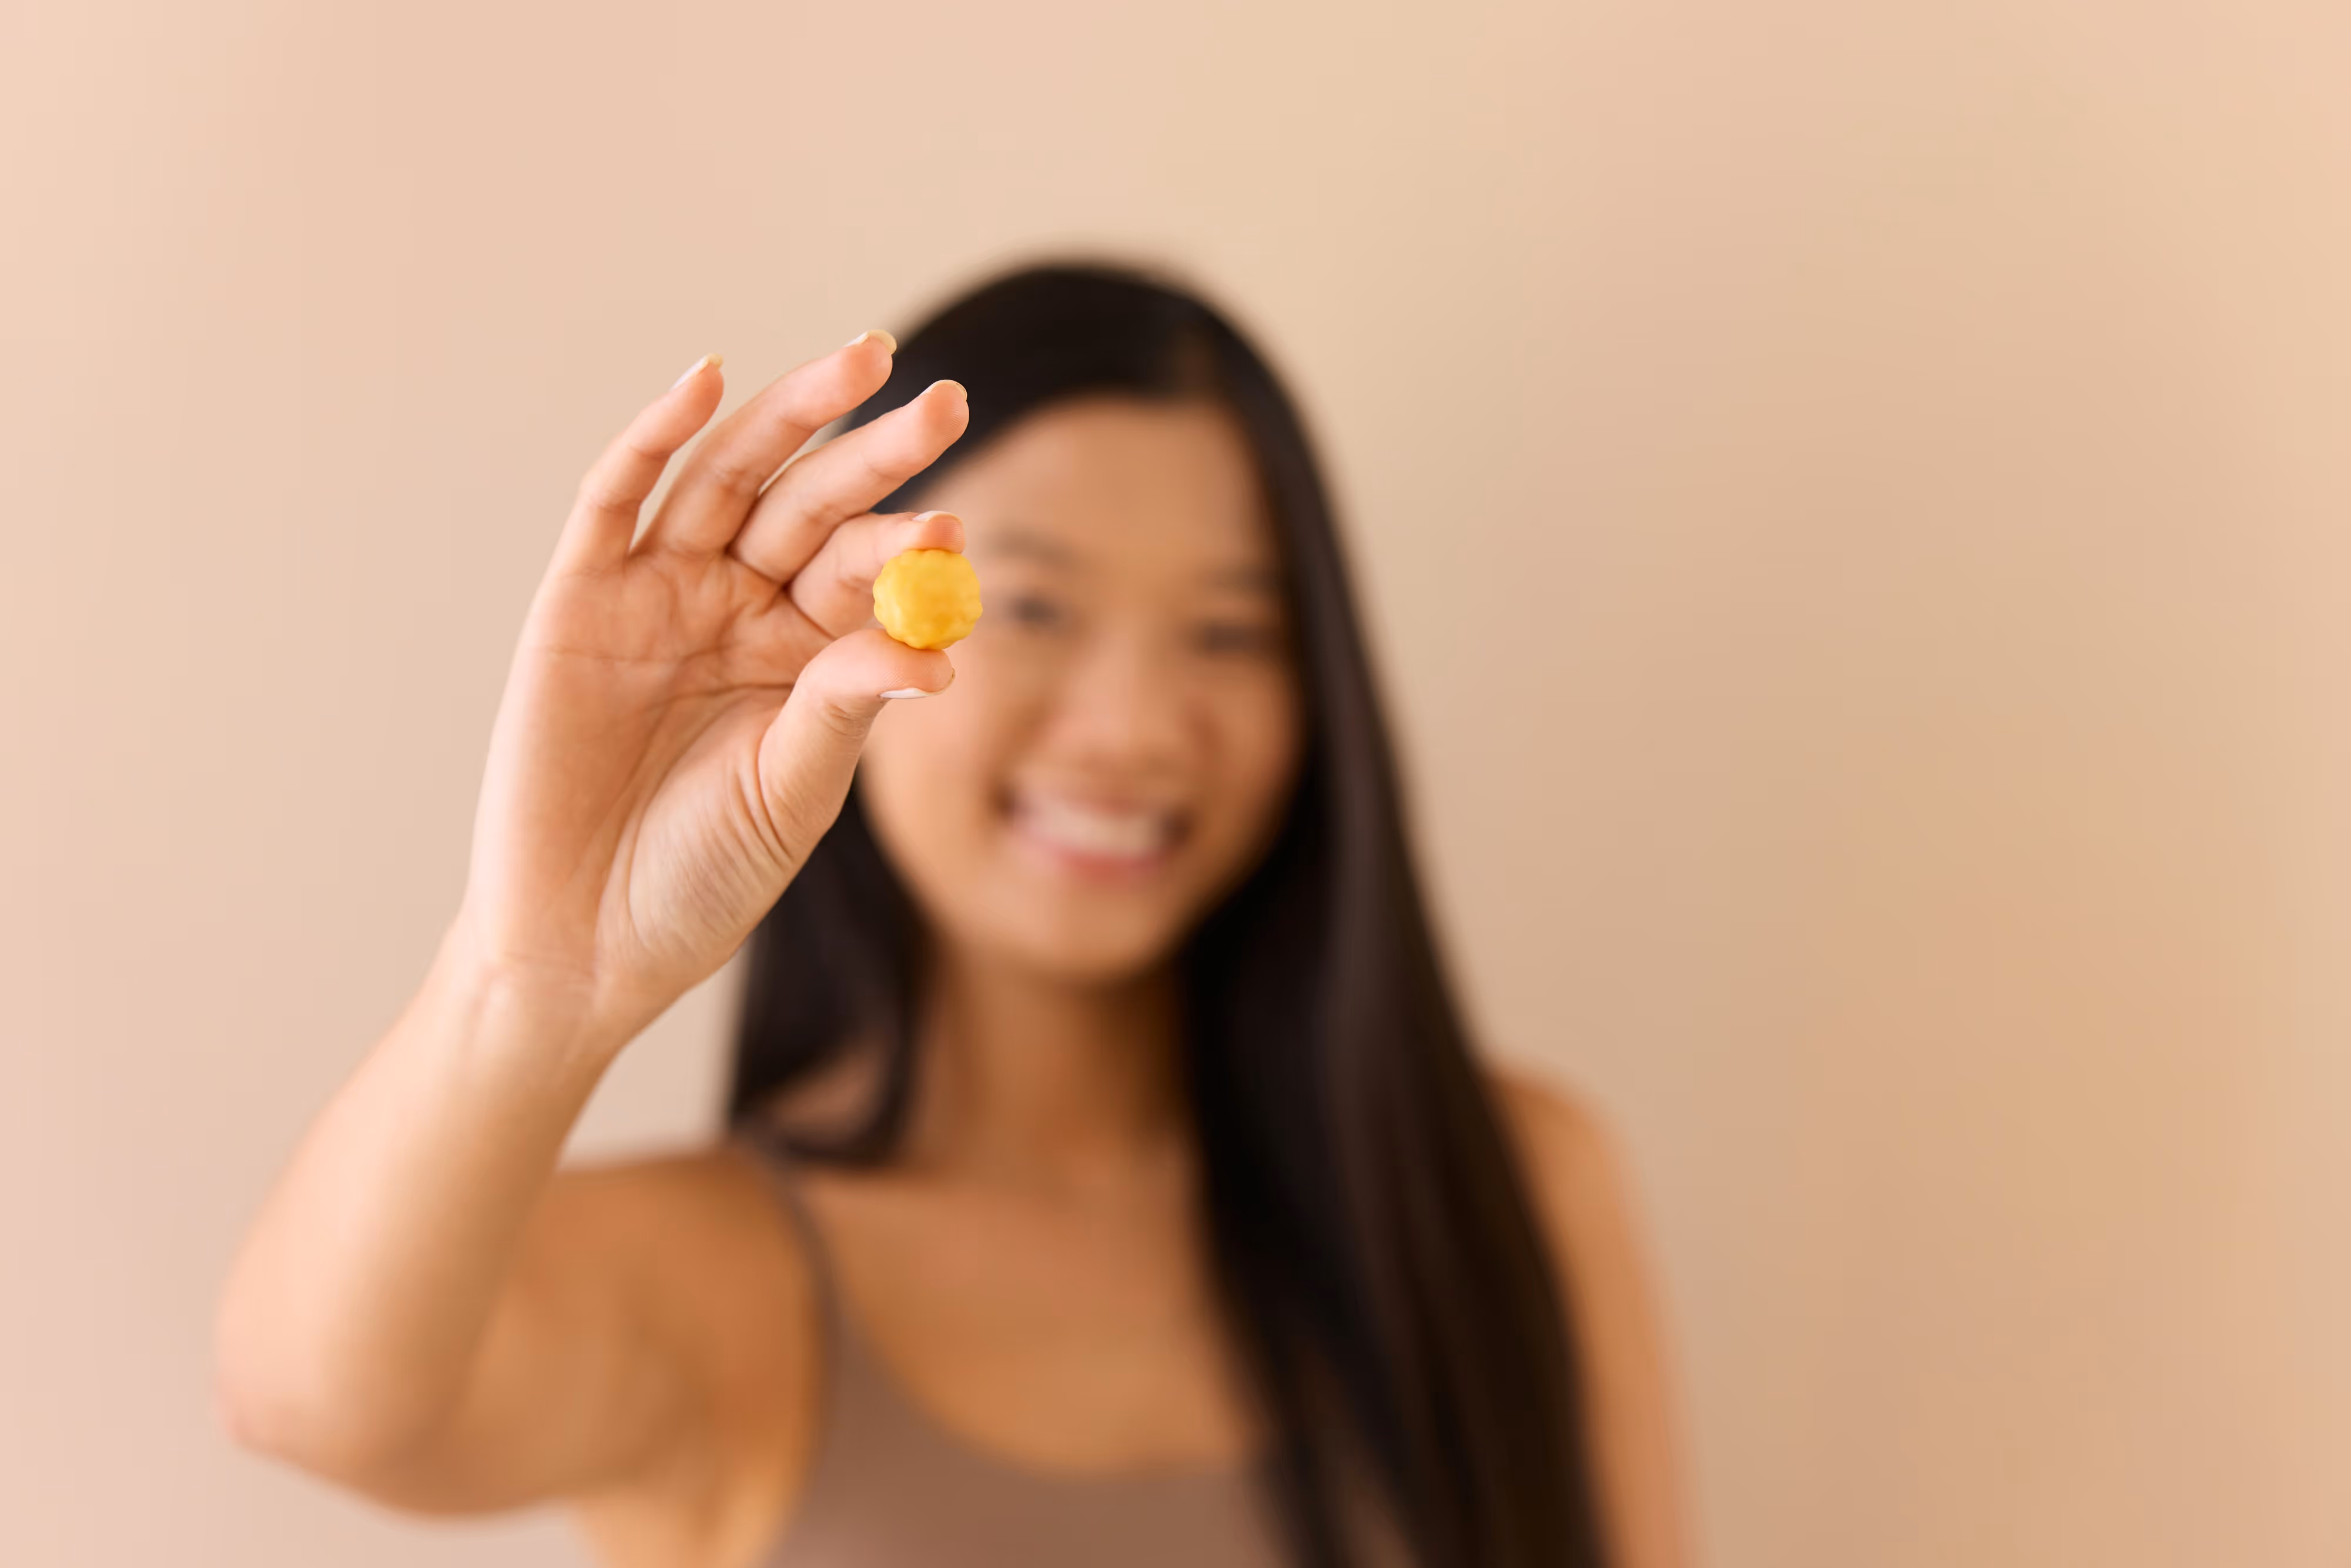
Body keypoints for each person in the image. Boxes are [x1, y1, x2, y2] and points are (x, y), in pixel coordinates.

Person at [214, 260, 1695, 1568]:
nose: (1132, 726)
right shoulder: (713, 1278)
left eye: (1231, 629)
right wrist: (536, 973)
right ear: (840, 628)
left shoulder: (1505, 1186)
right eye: (1033, 607)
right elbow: (307, 1405)